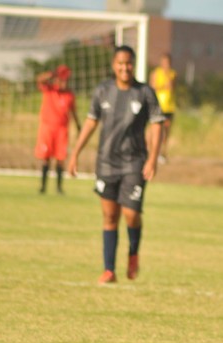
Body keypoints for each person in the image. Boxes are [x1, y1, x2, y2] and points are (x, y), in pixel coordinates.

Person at [67, 45, 163, 285]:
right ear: (114, 65)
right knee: (109, 216)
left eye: (128, 63)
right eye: (120, 63)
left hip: (134, 163)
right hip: (106, 163)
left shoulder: (145, 93)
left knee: (131, 215)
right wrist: (75, 153)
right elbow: (91, 122)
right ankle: (109, 270)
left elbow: (157, 124)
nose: (124, 67)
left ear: (134, 65)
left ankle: (133, 252)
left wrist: (152, 158)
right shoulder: (103, 91)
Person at [34, 65, 81, 195]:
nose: (64, 83)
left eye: (66, 81)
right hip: (47, 128)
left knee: (60, 159)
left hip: (62, 129)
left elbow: (74, 112)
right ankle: (43, 187)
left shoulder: (69, 95)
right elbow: (39, 80)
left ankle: (59, 188)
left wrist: (78, 126)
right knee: (46, 158)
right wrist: (52, 73)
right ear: (56, 80)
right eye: (61, 80)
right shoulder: (49, 89)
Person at [150, 53, 177, 164]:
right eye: (165, 62)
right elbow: (153, 87)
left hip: (169, 106)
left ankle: (163, 154)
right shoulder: (156, 73)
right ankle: (151, 152)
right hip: (158, 106)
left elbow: (172, 87)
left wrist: (167, 81)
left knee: (166, 132)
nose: (166, 64)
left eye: (168, 62)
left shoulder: (173, 74)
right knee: (153, 130)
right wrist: (162, 86)